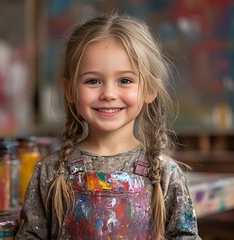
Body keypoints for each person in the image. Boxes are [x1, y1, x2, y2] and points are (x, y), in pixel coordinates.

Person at [16, 12, 201, 240]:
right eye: (93, 81)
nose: (109, 94)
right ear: (70, 90)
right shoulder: (50, 172)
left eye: (125, 80)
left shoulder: (165, 174)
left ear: (150, 90)